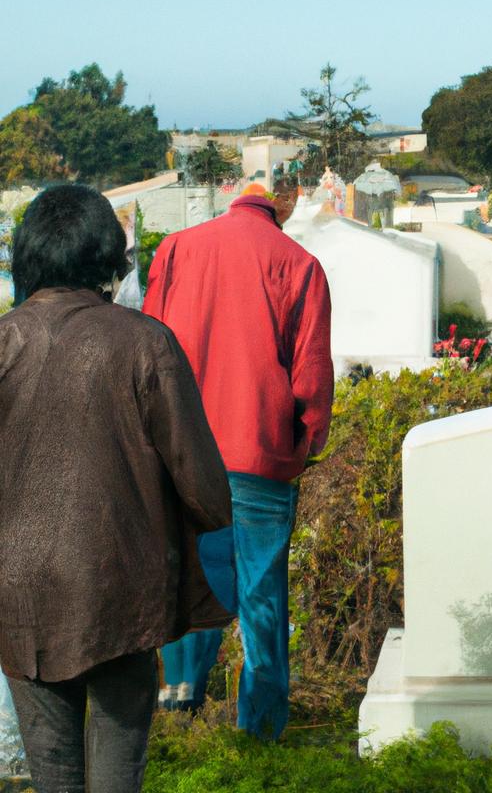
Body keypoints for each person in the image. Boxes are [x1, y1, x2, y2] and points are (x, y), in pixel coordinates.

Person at [0, 184, 233, 793]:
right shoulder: (144, 342)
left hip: (20, 594)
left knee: (53, 778)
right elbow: (207, 489)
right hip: (120, 585)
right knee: (114, 776)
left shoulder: (2, 342)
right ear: (108, 256)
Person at [143, 175, 333, 739]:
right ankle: (261, 732)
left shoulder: (177, 248)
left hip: (181, 452)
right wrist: (304, 446)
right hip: (258, 453)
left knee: (186, 577)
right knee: (261, 598)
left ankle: (177, 708)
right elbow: (312, 377)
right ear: (284, 205)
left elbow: (148, 344)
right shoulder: (298, 263)